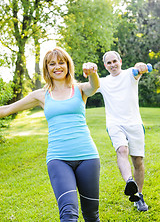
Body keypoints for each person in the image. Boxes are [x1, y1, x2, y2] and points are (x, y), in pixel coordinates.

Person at [0, 47, 101, 221]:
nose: (57, 67)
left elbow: (94, 86)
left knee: (91, 213)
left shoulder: (80, 89)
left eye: (61, 62)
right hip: (58, 158)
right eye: (52, 64)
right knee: (68, 213)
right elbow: (7, 109)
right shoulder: (41, 95)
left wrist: (92, 72)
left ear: (68, 65)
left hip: (88, 156)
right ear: (46, 68)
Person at [97, 50, 149, 212]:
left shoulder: (129, 74)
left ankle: (138, 196)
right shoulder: (102, 82)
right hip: (115, 124)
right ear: (105, 66)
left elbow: (140, 68)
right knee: (121, 149)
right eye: (109, 63)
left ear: (120, 61)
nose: (112, 65)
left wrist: (141, 67)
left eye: (115, 61)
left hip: (134, 124)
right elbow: (85, 86)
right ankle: (129, 182)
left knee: (138, 162)